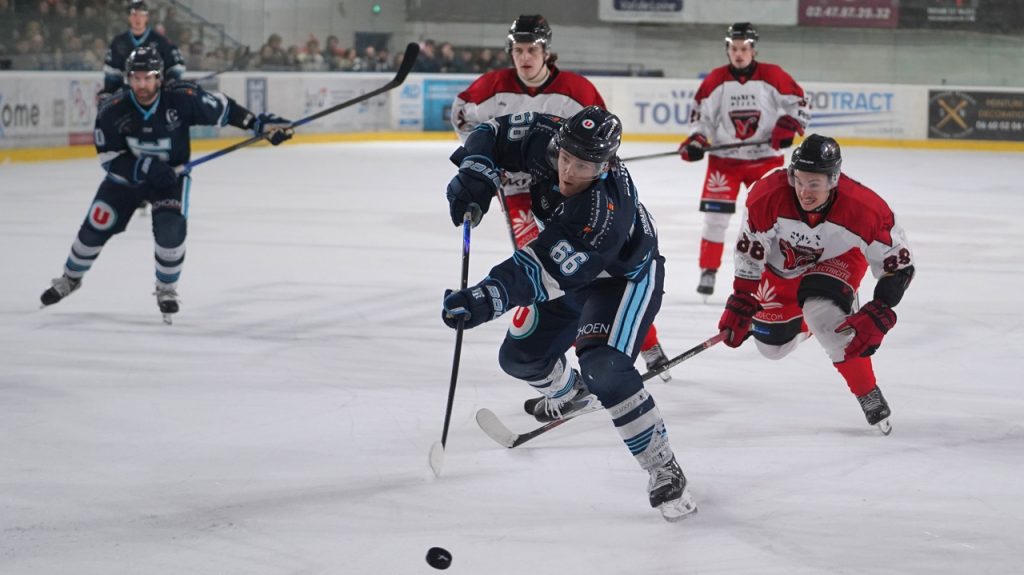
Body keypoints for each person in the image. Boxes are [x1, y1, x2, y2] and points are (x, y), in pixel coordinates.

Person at [441, 107, 697, 522]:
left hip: (622, 280)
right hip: (570, 272)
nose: (568, 171)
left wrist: (483, 299)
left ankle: (662, 466)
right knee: (519, 359)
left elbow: (538, 272)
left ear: (606, 164)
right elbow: (493, 131)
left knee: (605, 367)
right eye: (565, 158)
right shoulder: (551, 136)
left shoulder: (602, 214)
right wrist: (477, 174)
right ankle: (570, 394)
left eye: (583, 166)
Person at [450, 14, 673, 381]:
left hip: (571, 194)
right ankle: (563, 350)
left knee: (594, 263)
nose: (525, 58)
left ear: (546, 52)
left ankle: (644, 342)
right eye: (518, 50)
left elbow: (602, 134)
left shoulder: (577, 90)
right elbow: (466, 121)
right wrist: (485, 166)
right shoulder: (491, 86)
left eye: (532, 50)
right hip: (520, 194)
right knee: (545, 268)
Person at [39, 46, 293, 323]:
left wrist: (259, 125)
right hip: (128, 181)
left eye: (148, 78)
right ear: (128, 78)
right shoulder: (113, 109)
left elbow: (224, 109)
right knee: (97, 224)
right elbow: (109, 158)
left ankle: (166, 289)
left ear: (159, 77)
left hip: (170, 179)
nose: (142, 84)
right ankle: (70, 278)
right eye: (136, 78)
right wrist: (144, 167)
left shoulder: (181, 98)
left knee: (171, 230)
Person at [716, 135, 914, 435]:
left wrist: (882, 306)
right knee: (772, 349)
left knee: (825, 320)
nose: (804, 192)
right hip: (779, 265)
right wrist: (742, 297)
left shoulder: (866, 209)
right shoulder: (766, 195)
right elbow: (749, 249)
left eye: (814, 184)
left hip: (838, 260)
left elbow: (898, 265)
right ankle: (805, 323)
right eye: (799, 181)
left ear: (833, 180)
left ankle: (867, 392)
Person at [678, 22, 811, 299]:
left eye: (744, 49)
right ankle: (709, 270)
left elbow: (799, 103)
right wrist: (697, 141)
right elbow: (701, 118)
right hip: (724, 161)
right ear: (727, 50)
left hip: (764, 160)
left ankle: (775, 270)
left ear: (754, 49)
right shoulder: (716, 79)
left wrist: (788, 125)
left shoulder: (772, 75)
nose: (739, 54)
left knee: (774, 220)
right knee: (715, 219)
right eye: (734, 49)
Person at [99, 1, 185, 100]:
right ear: (129, 17)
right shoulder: (119, 42)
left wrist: (169, 87)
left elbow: (175, 67)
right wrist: (111, 94)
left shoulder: (161, 41)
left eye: (142, 15)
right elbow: (112, 75)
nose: (138, 19)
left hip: (156, 96)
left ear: (147, 17)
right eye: (134, 14)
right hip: (128, 97)